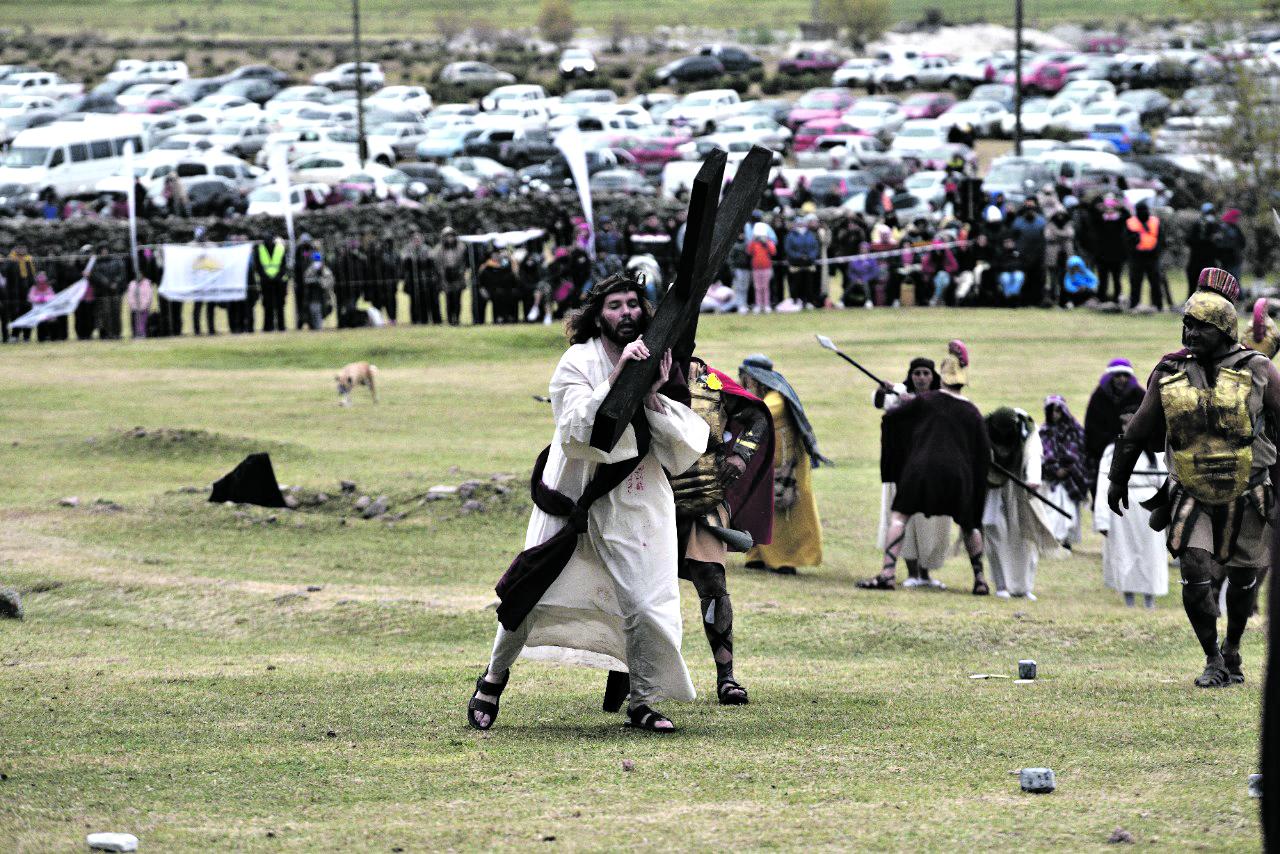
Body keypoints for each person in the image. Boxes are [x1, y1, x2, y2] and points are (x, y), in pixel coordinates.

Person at [468, 273, 709, 733]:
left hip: (635, 496)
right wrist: (620, 379)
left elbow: (682, 445)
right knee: (533, 590)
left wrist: (653, 394)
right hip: (574, 491)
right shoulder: (577, 361)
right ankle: (493, 678)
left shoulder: (661, 359)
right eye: (614, 305)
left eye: (632, 304)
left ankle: (643, 701)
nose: (625, 313)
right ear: (598, 316)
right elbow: (577, 429)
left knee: (646, 601)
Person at [1107, 289, 1280, 687]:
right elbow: (1137, 431)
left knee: (1243, 578)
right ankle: (1212, 657)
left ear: (1223, 329)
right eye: (1187, 324)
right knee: (1195, 569)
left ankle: (1233, 647)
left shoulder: (1259, 369)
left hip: (1249, 490)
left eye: (1200, 326)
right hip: (1189, 492)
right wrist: (1118, 479)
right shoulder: (1168, 371)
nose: (1190, 333)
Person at [604, 357, 775, 711]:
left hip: (703, 502)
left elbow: (758, 416)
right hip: (649, 504)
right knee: (636, 593)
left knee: (713, 584)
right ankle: (627, 676)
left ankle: (726, 676)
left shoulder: (711, 381)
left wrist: (741, 455)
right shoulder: (639, 375)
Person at [859, 342, 991, 593]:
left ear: (942, 378)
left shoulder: (926, 401)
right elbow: (983, 454)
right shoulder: (972, 411)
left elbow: (892, 418)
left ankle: (887, 574)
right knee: (969, 524)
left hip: (921, 470)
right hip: (957, 475)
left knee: (899, 517)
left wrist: (906, 401)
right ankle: (980, 580)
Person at [740, 354, 827, 575]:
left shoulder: (776, 399)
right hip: (765, 463)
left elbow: (757, 413)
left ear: (756, 380)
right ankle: (756, 555)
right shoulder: (770, 397)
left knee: (782, 512)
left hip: (785, 466)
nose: (743, 383)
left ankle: (784, 560)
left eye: (746, 379)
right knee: (757, 508)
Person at [872, 358, 952, 587]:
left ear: (932, 376)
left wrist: (914, 402)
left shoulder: (942, 400)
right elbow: (880, 404)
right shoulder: (898, 395)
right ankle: (912, 573)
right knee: (905, 522)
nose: (921, 377)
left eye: (926, 373)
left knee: (931, 523)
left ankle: (926, 575)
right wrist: (883, 391)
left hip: (933, 472)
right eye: (917, 373)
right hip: (903, 470)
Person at [1093, 401, 1169, 609]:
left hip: (1148, 505)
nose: (1128, 428)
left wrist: (1166, 510)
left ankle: (1149, 600)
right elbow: (1103, 483)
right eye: (1124, 424)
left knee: (1151, 553)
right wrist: (1102, 518)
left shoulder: (1155, 450)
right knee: (1124, 552)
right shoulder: (1112, 451)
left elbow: (1165, 481)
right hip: (1124, 507)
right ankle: (1128, 599)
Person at [984, 406, 1060, 599]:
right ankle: (1001, 586)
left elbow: (1034, 454)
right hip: (992, 487)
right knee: (994, 533)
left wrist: (1033, 479)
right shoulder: (984, 428)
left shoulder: (1027, 429)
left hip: (1020, 485)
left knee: (1024, 536)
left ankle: (1023, 587)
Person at [1084, 359, 1145, 498]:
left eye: (1125, 375)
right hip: (1103, 452)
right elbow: (1091, 427)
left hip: (1134, 451)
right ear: (1111, 376)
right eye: (1118, 375)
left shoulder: (1139, 395)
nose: (1121, 379)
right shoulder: (1099, 396)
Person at [1039, 395, 1089, 548]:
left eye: (1058, 411)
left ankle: (1066, 540)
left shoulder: (1075, 430)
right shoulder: (1044, 432)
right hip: (1052, 479)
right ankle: (1053, 539)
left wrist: (1068, 468)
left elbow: (1080, 453)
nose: (1055, 415)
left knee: (1068, 508)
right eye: (1052, 411)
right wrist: (1054, 469)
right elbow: (1042, 454)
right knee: (1052, 509)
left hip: (1071, 478)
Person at [1126, 200, 1164, 311]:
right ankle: (1134, 304)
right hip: (1137, 257)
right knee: (1135, 282)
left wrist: (1157, 251)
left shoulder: (1155, 221)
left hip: (1152, 257)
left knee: (1155, 282)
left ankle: (1158, 305)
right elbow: (1126, 240)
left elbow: (1161, 238)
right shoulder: (1130, 222)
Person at [401, 231, 440, 325]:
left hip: (426, 280)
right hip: (413, 281)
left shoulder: (427, 249)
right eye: (415, 239)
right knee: (414, 301)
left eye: (418, 239)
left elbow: (432, 263)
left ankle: (432, 320)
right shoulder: (408, 250)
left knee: (430, 301)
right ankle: (416, 320)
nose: (417, 241)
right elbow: (404, 262)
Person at [253, 235, 289, 333]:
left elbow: (283, 265)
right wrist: (269, 277)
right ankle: (270, 327)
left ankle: (279, 326)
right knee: (268, 305)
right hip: (268, 281)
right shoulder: (260, 249)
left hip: (276, 281)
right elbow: (258, 266)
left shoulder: (279, 249)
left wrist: (273, 277)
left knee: (279, 305)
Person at [432, 227, 466, 326]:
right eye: (447, 236)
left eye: (451, 236)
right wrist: (442, 274)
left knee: (457, 299)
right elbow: (437, 263)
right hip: (446, 276)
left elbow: (463, 262)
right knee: (449, 298)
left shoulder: (461, 247)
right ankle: (450, 319)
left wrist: (460, 271)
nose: (450, 239)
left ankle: (457, 319)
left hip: (457, 275)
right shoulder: (439, 249)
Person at [1185, 203, 1219, 301]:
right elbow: (1189, 240)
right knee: (1194, 286)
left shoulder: (1214, 226)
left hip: (1205, 262)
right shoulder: (1198, 226)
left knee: (1208, 288)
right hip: (1198, 261)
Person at [784, 217, 820, 308]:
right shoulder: (791, 235)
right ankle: (795, 300)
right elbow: (788, 249)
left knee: (808, 283)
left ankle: (808, 301)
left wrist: (809, 257)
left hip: (808, 263)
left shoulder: (810, 234)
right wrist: (799, 256)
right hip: (796, 264)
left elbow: (815, 247)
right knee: (796, 283)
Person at [299, 250, 334, 330]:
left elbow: (329, 283)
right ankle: (317, 327)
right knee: (314, 311)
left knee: (321, 312)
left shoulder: (327, 271)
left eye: (318, 261)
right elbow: (306, 280)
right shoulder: (309, 270)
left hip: (325, 298)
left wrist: (320, 282)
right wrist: (314, 280)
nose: (316, 263)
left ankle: (318, 326)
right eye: (315, 261)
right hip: (313, 298)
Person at [747, 222, 775, 314]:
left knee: (765, 287)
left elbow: (773, 251)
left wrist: (766, 243)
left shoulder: (768, 242)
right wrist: (753, 240)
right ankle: (758, 305)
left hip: (766, 267)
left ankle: (766, 305)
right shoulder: (754, 243)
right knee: (758, 287)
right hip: (756, 268)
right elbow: (749, 251)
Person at [1214, 208, 1247, 285]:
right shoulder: (1234, 228)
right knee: (1234, 282)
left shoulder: (1223, 228)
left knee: (1226, 282)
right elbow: (1243, 243)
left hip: (1227, 259)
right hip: (1232, 259)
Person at [25, 273, 55, 342]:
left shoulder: (48, 288)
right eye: (40, 282)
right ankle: (41, 338)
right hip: (37, 309)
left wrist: (45, 298)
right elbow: (30, 297)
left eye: (43, 282)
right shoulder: (34, 288)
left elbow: (53, 296)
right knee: (40, 323)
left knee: (49, 322)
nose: (42, 284)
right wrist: (38, 299)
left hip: (47, 310)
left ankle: (49, 336)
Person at [124, 272, 153, 339]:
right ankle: (136, 334)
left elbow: (148, 296)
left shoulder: (147, 283)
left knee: (143, 321)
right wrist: (134, 306)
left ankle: (143, 334)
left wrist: (143, 306)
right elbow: (130, 296)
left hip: (144, 307)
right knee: (135, 321)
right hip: (135, 308)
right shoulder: (132, 284)